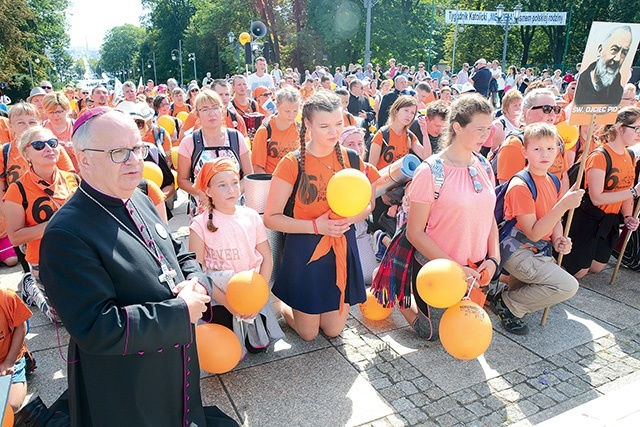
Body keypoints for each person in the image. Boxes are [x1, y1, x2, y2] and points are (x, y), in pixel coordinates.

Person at [39, 108, 238, 427]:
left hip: (174, 364)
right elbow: (96, 327)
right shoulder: (67, 234)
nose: (134, 160)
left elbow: (178, 254)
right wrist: (179, 312)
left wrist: (196, 283)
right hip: (128, 386)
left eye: (137, 148)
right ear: (84, 159)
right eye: (118, 152)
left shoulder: (139, 197)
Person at [373, 94, 499, 339]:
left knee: (462, 332)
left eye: (489, 128)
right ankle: (402, 297)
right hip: (438, 267)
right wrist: (455, 268)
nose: (487, 135)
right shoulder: (430, 171)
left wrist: (494, 259)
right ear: (457, 127)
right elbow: (415, 232)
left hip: (476, 268)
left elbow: (489, 216)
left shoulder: (484, 165)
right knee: (432, 334)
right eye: (480, 129)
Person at [263, 91, 370, 341]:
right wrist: (316, 226)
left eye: (338, 124)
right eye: (324, 126)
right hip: (305, 246)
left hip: (342, 245)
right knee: (309, 334)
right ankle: (284, 305)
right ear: (308, 124)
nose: (334, 133)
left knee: (333, 331)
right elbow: (271, 217)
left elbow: (366, 205)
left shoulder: (351, 158)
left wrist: (350, 219)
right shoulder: (292, 163)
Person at [490, 123, 583, 334]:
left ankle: (510, 293)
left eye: (550, 148)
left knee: (551, 284)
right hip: (517, 250)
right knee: (567, 286)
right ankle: (508, 304)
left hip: (539, 247)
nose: (545, 154)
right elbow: (532, 232)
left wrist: (560, 240)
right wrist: (564, 205)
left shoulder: (553, 180)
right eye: (537, 149)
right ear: (525, 152)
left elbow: (554, 218)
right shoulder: (521, 186)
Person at [189, 157, 284, 357]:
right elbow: (197, 272)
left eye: (234, 183)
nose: (231, 190)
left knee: (257, 348)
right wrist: (228, 302)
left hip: (251, 291)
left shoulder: (250, 216)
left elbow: (267, 258)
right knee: (225, 352)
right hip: (219, 295)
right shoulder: (199, 225)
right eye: (222, 185)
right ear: (207, 191)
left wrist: (259, 295)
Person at [4, 126, 80, 324]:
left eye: (52, 143)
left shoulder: (74, 180)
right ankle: (31, 287)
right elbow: (15, 237)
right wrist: (55, 224)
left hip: (79, 254)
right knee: (60, 319)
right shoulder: (17, 190)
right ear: (26, 153)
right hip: (43, 260)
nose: (48, 148)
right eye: (39, 145)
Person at [562, 106, 640, 278]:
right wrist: (634, 192)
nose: (639, 133)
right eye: (636, 128)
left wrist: (628, 217)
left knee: (597, 268)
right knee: (578, 273)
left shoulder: (631, 155)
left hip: (609, 220)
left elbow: (626, 189)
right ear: (620, 128)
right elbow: (597, 198)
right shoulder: (600, 156)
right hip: (589, 216)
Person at [177, 90, 252, 216]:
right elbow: (182, 180)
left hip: (234, 208)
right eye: (205, 109)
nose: (211, 113)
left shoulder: (236, 138)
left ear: (222, 111)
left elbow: (248, 174)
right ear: (197, 114)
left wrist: (234, 192)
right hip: (203, 209)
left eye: (215, 108)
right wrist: (201, 193)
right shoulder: (189, 142)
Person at [495, 89, 567, 190]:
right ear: (528, 113)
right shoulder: (514, 144)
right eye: (546, 109)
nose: (552, 115)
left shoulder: (558, 141)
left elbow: (563, 178)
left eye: (556, 109)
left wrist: (563, 205)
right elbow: (509, 192)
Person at [339, 126, 380, 284]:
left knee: (367, 277)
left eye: (360, 143)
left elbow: (371, 205)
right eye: (350, 144)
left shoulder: (370, 171)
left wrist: (350, 220)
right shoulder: (332, 168)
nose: (357, 148)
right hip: (331, 228)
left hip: (358, 227)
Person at [574, 26, 632, 106]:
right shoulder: (579, 86)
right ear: (600, 50)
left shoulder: (617, 92)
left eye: (624, 53)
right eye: (614, 50)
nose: (618, 59)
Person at [368, 95, 426, 170]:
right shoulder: (382, 135)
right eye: (406, 110)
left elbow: (426, 156)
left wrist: (424, 133)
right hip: (382, 179)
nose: (409, 115)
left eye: (412, 113)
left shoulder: (410, 136)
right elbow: (371, 168)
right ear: (396, 111)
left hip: (401, 180)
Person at [251, 86, 301, 174]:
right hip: (272, 181)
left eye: (295, 111)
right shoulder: (265, 131)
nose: (291, 115)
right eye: (287, 111)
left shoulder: (300, 129)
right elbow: (257, 167)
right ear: (277, 106)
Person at [0, 287, 32, 414]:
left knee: (10, 406)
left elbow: (21, 327)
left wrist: (10, 361)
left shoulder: (6, 297)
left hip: (10, 357)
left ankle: (25, 364)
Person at [42, 91, 77, 170]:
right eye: (51, 112)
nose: (55, 116)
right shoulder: (42, 128)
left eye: (59, 112)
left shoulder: (76, 126)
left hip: (77, 173)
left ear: (67, 109)